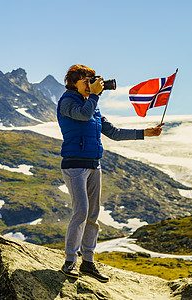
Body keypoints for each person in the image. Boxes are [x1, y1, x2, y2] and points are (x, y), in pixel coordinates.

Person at [58, 64, 163, 282]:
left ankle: (87, 261)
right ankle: (69, 261)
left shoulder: (93, 106)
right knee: (81, 211)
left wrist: (146, 133)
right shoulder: (67, 102)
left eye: (92, 81)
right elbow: (83, 116)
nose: (91, 85)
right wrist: (95, 95)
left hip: (94, 164)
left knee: (93, 215)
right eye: (87, 81)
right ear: (73, 82)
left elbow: (113, 133)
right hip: (74, 165)